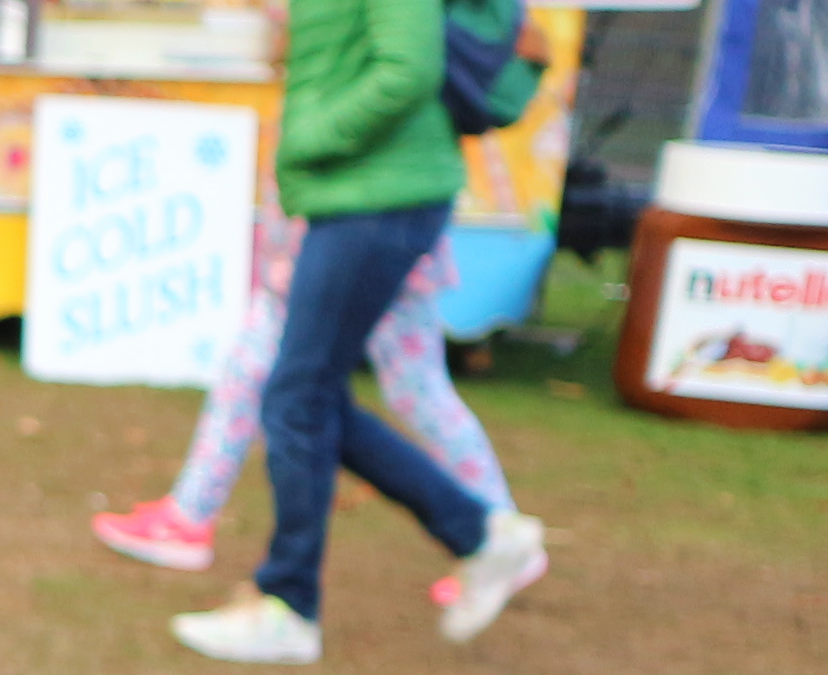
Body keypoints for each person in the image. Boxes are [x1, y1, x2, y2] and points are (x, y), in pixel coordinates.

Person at [173, 0, 550, 663]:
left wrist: (309, 137)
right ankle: (479, 533)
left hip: (377, 190)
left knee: (297, 394)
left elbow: (409, 65)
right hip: (368, 188)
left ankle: (288, 605)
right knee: (304, 394)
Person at [90, 208, 526, 617]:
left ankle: (491, 535)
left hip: (351, 241)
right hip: (321, 242)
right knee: (269, 386)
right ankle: (197, 518)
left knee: (319, 401)